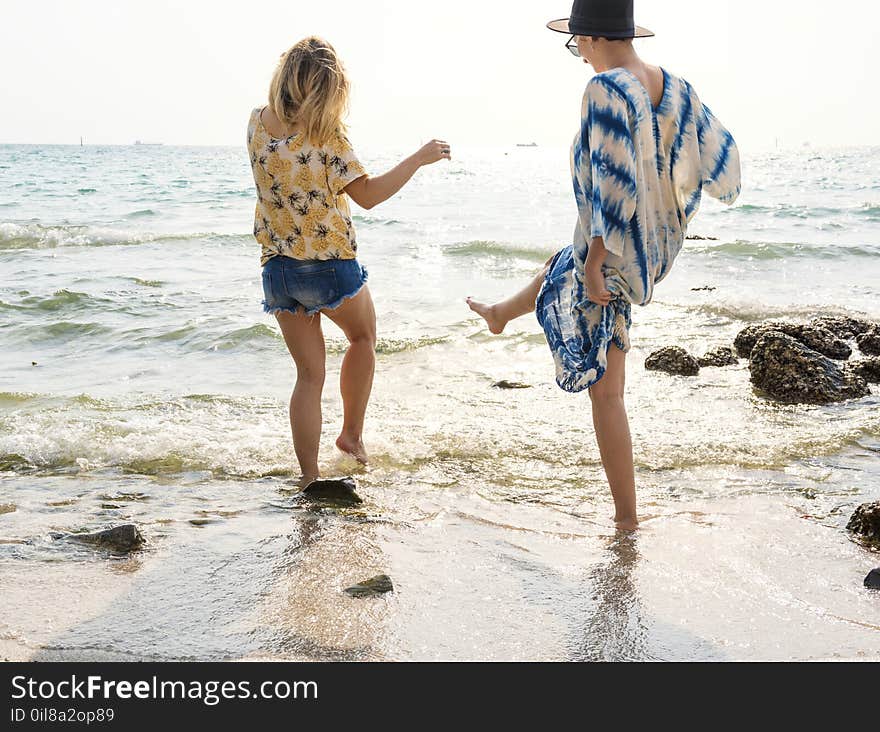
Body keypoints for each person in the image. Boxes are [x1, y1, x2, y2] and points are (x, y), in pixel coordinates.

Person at [467, 0, 741, 530]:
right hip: (650, 246)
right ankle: (502, 311)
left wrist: (597, 259)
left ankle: (626, 521)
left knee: (607, 394)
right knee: (560, 265)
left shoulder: (606, 88)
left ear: (590, 38)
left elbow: (612, 184)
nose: (578, 56)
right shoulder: (676, 87)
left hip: (613, 249)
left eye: (575, 45)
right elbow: (720, 162)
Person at [247, 36, 451, 485]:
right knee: (362, 337)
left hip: (277, 269)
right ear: (329, 87)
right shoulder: (327, 137)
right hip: (329, 266)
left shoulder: (256, 125)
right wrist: (418, 158)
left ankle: (308, 474)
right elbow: (370, 196)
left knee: (307, 376)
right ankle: (351, 437)